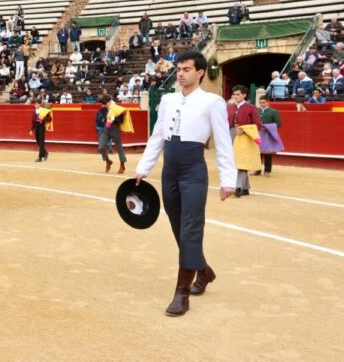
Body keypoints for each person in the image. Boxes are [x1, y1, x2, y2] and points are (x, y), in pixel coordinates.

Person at [135, 51, 237, 317]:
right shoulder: (168, 100)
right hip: (169, 170)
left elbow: (223, 142)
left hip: (193, 170)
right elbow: (157, 135)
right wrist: (143, 169)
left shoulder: (212, 102)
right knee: (178, 227)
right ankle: (203, 271)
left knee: (191, 229)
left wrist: (228, 180)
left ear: (200, 72)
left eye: (187, 69)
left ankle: (181, 292)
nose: (180, 73)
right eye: (178, 69)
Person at [227, 85, 261, 197]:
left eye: (238, 94)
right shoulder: (230, 107)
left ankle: (238, 187)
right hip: (231, 133)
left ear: (244, 95)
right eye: (234, 94)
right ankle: (245, 188)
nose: (235, 96)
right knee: (233, 160)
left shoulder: (251, 107)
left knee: (241, 161)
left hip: (245, 135)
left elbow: (257, 125)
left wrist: (244, 130)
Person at [97, 95, 131, 174]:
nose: (103, 105)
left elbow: (120, 120)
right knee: (101, 147)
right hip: (107, 129)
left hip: (115, 129)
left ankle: (122, 165)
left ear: (109, 102)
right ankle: (108, 161)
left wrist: (111, 117)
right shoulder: (105, 108)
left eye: (105, 103)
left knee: (119, 147)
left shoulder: (117, 108)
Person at [257, 95, 282, 177]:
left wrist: (268, 127)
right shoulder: (256, 110)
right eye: (260, 102)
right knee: (257, 152)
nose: (262, 104)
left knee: (268, 153)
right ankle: (257, 170)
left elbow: (278, 124)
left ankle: (267, 171)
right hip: (258, 133)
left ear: (268, 102)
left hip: (268, 134)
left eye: (264, 102)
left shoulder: (273, 111)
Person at [30, 98, 52, 162]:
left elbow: (50, 119)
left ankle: (40, 157)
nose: (35, 105)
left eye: (36, 104)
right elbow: (33, 121)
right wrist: (31, 130)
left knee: (41, 142)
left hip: (42, 127)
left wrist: (43, 118)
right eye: (34, 104)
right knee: (38, 141)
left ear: (40, 104)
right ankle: (45, 153)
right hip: (36, 127)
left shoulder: (44, 110)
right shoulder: (34, 111)